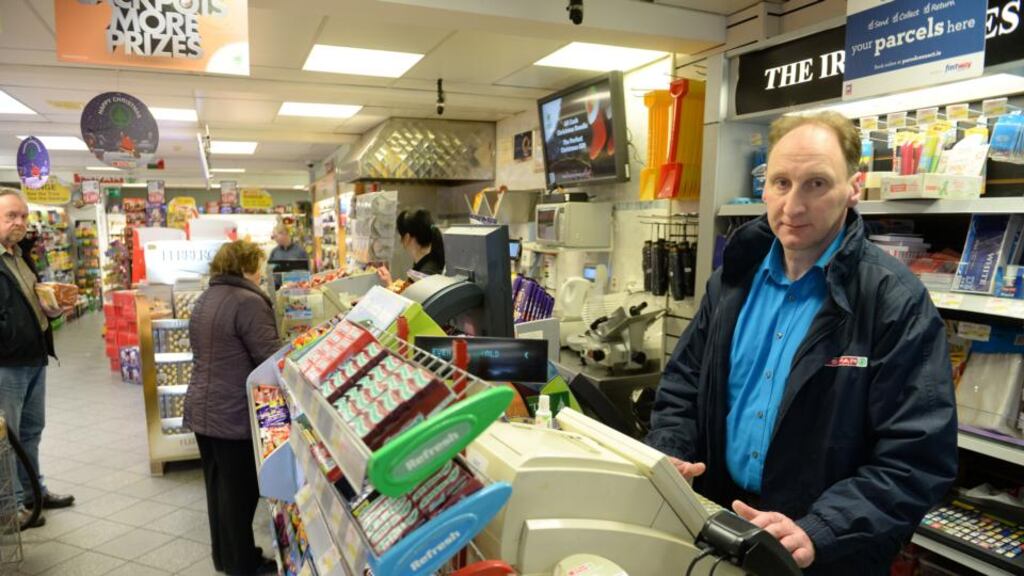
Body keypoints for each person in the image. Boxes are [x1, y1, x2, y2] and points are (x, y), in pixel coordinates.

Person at [645, 113, 957, 575]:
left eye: (816, 184)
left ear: (854, 187)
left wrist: (821, 528)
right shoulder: (732, 282)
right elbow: (684, 385)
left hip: (823, 554)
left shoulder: (894, 301)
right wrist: (671, 450)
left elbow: (916, 456)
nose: (793, 205)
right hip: (718, 525)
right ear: (764, 188)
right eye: (782, 182)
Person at [184, 240, 280, 575]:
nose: (261, 273)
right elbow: (269, 358)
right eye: (258, 266)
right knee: (241, 494)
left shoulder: (206, 298)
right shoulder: (248, 302)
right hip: (233, 413)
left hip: (203, 409)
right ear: (246, 267)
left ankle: (226, 557)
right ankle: (243, 565)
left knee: (218, 490)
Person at [0, 188, 75, 529]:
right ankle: (9, 506)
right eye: (11, 216)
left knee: (31, 431)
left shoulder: (19, 255)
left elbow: (27, 303)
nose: (20, 222)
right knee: (7, 437)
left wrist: (51, 309)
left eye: (23, 216)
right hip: (6, 363)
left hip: (34, 357)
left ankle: (32, 493)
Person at [377, 208, 445, 284]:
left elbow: (416, 291)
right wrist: (389, 282)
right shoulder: (426, 264)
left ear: (407, 238)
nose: (400, 241)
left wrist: (390, 284)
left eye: (401, 236)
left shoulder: (425, 274)